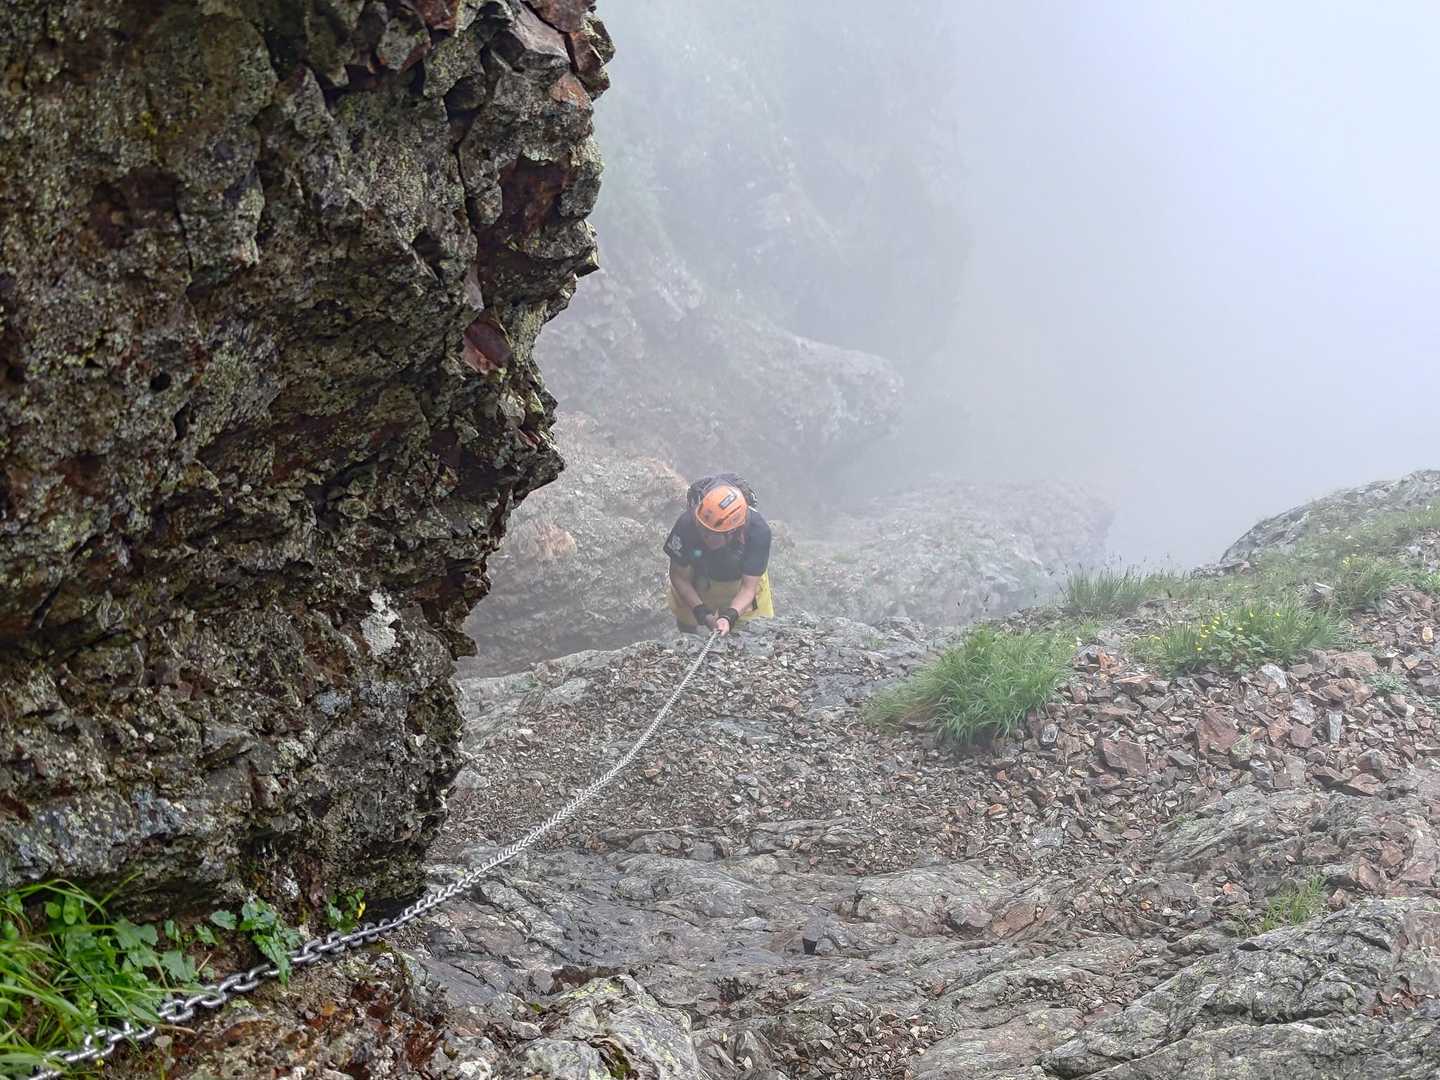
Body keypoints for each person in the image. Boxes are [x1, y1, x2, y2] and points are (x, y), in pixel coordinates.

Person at [664, 475, 774, 636]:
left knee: (755, 630)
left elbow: (748, 588)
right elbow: (679, 577)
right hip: (701, 576)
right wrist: (702, 612)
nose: (705, 537)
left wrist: (729, 616)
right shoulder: (687, 524)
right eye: (702, 529)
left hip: (741, 580)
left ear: (733, 532)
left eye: (713, 534)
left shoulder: (758, 532)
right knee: (687, 618)